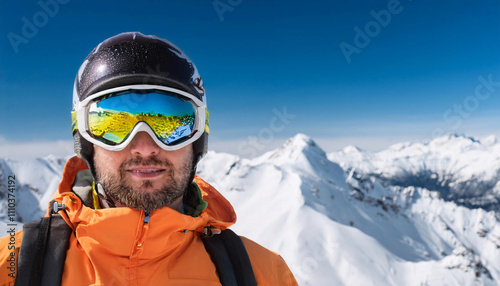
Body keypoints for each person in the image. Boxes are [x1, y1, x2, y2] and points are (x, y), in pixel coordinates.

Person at [0, 32, 297, 285]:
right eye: (112, 124)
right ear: (85, 139)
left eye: (172, 122)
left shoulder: (262, 274)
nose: (144, 146)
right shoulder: (13, 267)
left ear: (198, 137)